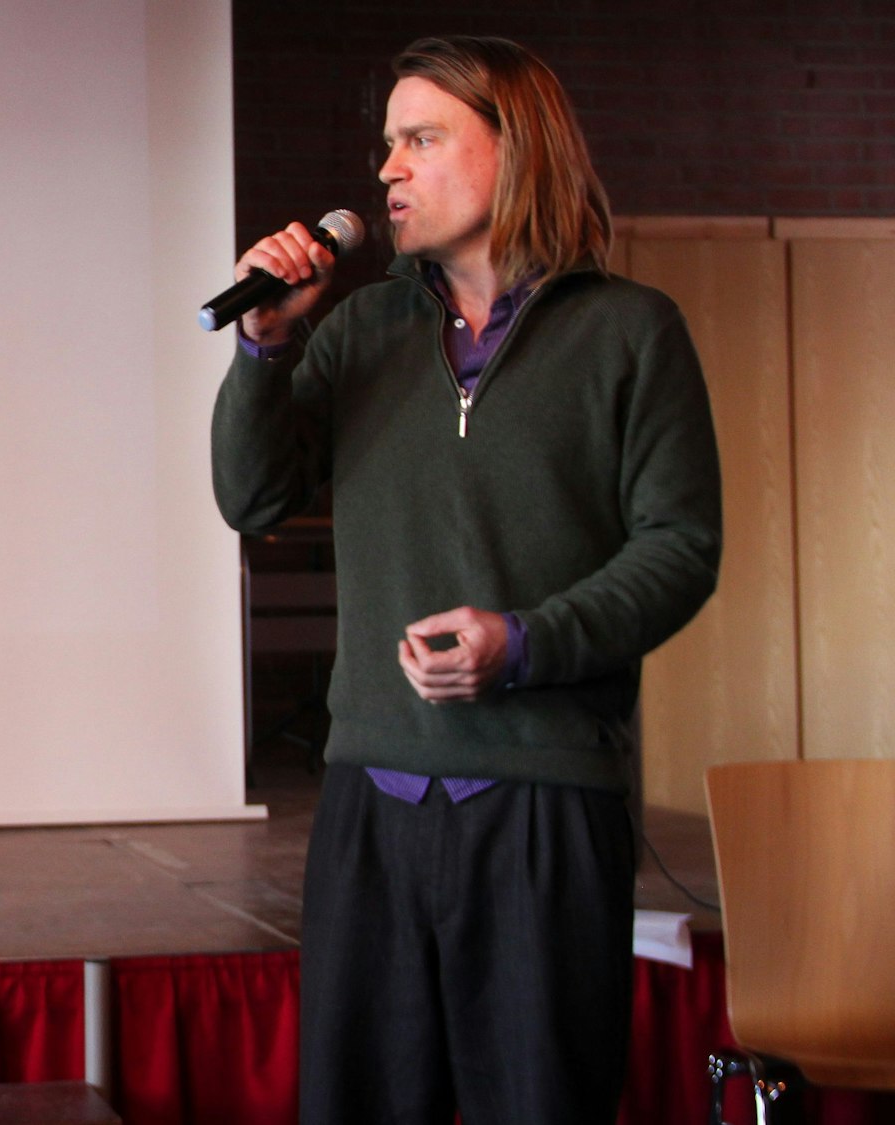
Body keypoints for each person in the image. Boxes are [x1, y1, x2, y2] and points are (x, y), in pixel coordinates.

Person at [208, 36, 721, 1123]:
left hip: (543, 802)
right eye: (384, 145)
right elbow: (251, 501)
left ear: (515, 149)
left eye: (420, 140)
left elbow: (678, 547)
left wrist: (524, 643)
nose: (386, 170)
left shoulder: (629, 334)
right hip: (369, 800)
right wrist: (262, 348)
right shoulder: (356, 330)